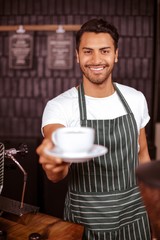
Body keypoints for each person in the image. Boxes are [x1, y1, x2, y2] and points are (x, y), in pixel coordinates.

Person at [36, 18, 153, 239]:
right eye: (88, 51)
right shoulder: (59, 107)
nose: (96, 59)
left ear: (116, 54)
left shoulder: (135, 99)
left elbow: (143, 155)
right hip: (85, 222)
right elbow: (55, 168)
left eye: (105, 51)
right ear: (77, 55)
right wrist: (54, 164)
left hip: (136, 216)